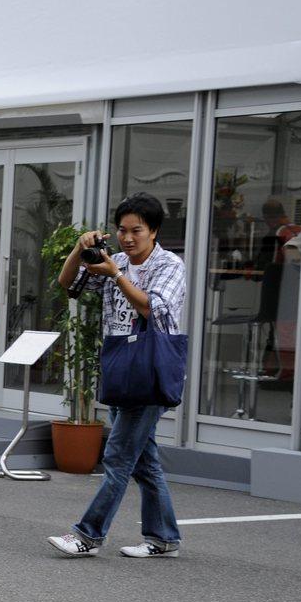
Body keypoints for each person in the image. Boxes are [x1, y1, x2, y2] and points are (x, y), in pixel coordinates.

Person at [47, 192, 185, 559]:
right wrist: (80, 249)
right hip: (121, 363)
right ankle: (163, 537)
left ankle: (88, 535)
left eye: (136, 230)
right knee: (143, 461)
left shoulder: (169, 265)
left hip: (151, 367)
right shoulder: (116, 259)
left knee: (119, 455)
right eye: (121, 230)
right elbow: (68, 283)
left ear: (153, 231)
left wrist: (117, 275)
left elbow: (152, 307)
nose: (127, 238)